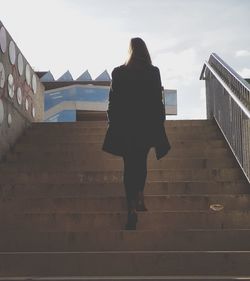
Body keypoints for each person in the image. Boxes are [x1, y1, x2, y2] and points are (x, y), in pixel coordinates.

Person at [102, 37, 170, 230]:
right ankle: (140, 192)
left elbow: (113, 101)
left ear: (130, 50)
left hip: (126, 127)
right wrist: (159, 123)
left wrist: (112, 122)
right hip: (146, 126)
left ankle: (131, 206)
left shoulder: (119, 72)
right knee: (141, 161)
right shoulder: (153, 72)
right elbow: (158, 101)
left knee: (129, 165)